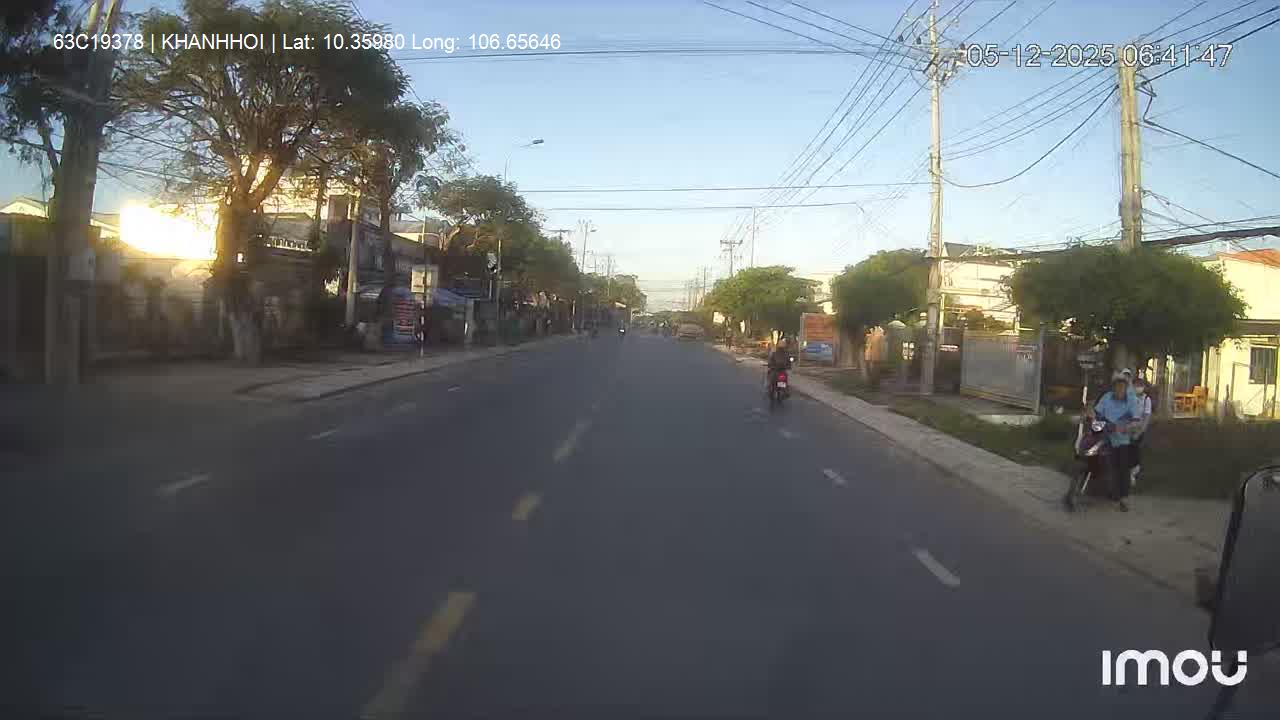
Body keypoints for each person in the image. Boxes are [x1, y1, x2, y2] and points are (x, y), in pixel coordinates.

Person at [1090, 374, 1140, 511]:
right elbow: (1096, 412)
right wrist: (1091, 416)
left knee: (1122, 468)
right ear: (1113, 386)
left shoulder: (1131, 400)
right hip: (1105, 434)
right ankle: (1103, 489)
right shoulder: (1107, 397)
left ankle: (1123, 499)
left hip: (1123, 439)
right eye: (1117, 385)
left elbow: (1136, 421)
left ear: (1126, 387)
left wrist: (1126, 427)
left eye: (1122, 385)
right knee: (1100, 461)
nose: (1119, 388)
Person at [1130, 377, 1154, 487]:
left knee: (1135, 451)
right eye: (1136, 386)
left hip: (1138, 428)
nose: (1138, 388)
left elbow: (1146, 417)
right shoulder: (1129, 398)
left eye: (1140, 386)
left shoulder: (1146, 399)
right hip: (1127, 427)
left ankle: (1133, 473)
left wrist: (1139, 432)